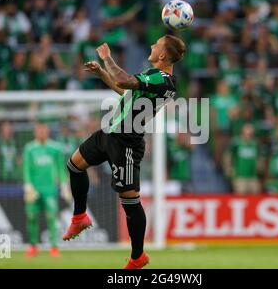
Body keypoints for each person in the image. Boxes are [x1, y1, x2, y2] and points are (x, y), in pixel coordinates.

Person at [62, 35, 186, 269]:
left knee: (129, 200)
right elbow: (125, 91)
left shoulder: (161, 78)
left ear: (162, 55)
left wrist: (107, 58)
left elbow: (125, 79)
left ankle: (138, 256)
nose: (151, 45)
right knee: (74, 164)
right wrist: (102, 74)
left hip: (126, 143)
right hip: (110, 132)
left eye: (156, 44)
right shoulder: (157, 78)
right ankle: (79, 217)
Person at [23, 122, 72, 257]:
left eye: (44, 130)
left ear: (48, 132)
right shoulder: (29, 148)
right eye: (39, 130)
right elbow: (27, 167)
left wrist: (64, 185)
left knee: (51, 216)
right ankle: (33, 246)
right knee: (31, 217)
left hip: (49, 189)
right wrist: (28, 185)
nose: (42, 133)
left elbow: (60, 169)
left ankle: (54, 247)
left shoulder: (55, 148)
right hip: (34, 189)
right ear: (35, 132)